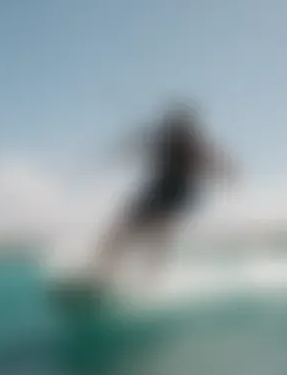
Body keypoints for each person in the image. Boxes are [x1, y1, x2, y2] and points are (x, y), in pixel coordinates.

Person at [92, 101, 237, 284]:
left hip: (175, 195)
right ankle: (103, 271)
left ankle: (146, 279)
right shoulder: (165, 139)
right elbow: (139, 143)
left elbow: (214, 162)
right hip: (160, 190)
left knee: (155, 234)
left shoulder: (190, 145)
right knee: (126, 228)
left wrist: (226, 173)